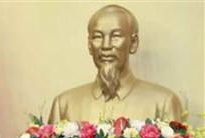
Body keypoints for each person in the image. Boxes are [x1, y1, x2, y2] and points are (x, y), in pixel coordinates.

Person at [48, 4, 182, 123]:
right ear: (89, 44)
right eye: (98, 37)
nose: (106, 46)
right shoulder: (64, 104)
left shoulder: (163, 103)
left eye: (116, 36)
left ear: (133, 43)